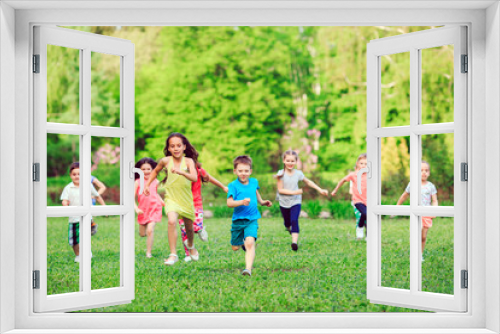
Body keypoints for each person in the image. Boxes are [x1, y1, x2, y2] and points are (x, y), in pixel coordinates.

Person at [144, 133, 198, 266]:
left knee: (189, 228)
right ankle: (173, 254)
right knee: (172, 221)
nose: (176, 148)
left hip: (186, 200)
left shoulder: (189, 161)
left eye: (179, 146)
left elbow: (194, 178)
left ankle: (190, 245)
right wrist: (147, 184)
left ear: (184, 147)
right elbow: (155, 171)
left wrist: (181, 172)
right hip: (171, 199)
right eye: (172, 146)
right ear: (168, 148)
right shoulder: (166, 161)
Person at [227, 155, 272, 276]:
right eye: (240, 171)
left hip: (252, 219)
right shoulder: (233, 185)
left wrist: (262, 202)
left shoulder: (254, 182)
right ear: (235, 171)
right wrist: (241, 202)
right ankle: (241, 242)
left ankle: (248, 269)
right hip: (238, 221)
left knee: (250, 243)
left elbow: (255, 192)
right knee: (235, 248)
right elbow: (229, 203)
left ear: (250, 171)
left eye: (246, 171)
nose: (243, 173)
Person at [274, 150, 328, 251]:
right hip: (284, 202)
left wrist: (320, 189)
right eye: (288, 161)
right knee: (287, 222)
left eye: (293, 161)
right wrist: (295, 192)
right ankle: (288, 227)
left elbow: (308, 182)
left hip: (295, 201)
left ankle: (294, 242)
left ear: (296, 162)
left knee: (294, 220)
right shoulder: (280, 174)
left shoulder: (298, 173)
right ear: (284, 161)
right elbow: (280, 190)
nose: (290, 163)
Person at [180, 164, 228, 262]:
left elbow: (211, 179)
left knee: (195, 228)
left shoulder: (199, 171)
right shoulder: (178, 172)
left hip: (196, 204)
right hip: (182, 205)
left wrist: (223, 187)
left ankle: (200, 229)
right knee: (184, 230)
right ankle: (189, 253)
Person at [60, 162, 106, 263]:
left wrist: (104, 207)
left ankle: (86, 251)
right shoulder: (68, 188)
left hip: (86, 216)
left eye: (79, 174)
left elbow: (97, 196)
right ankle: (78, 255)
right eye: (74, 174)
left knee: (85, 236)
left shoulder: (88, 186)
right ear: (70, 175)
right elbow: (64, 200)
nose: (77, 176)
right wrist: (65, 204)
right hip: (73, 217)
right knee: (74, 240)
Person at [395, 161, 438, 261]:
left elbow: (434, 200)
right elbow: (404, 196)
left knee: (423, 237)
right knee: (417, 231)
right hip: (416, 213)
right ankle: (413, 253)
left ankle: (420, 254)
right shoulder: (412, 184)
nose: (424, 173)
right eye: (421, 170)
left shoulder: (431, 186)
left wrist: (435, 210)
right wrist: (398, 206)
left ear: (429, 173)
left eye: (426, 170)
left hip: (427, 214)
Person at [331, 153, 368, 239]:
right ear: (357, 164)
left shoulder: (370, 175)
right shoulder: (353, 175)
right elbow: (343, 180)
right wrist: (335, 190)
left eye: (366, 164)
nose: (363, 166)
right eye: (361, 163)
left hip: (368, 200)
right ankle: (360, 227)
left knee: (368, 216)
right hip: (358, 200)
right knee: (365, 213)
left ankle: (368, 235)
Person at [134, 157, 165, 258]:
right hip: (143, 210)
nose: (146, 171)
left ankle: (148, 253)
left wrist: (162, 202)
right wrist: (136, 209)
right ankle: (146, 235)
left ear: (153, 170)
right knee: (143, 233)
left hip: (155, 208)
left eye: (148, 169)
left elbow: (155, 194)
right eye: (143, 169)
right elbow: (131, 198)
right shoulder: (138, 182)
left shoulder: (155, 181)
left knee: (150, 230)